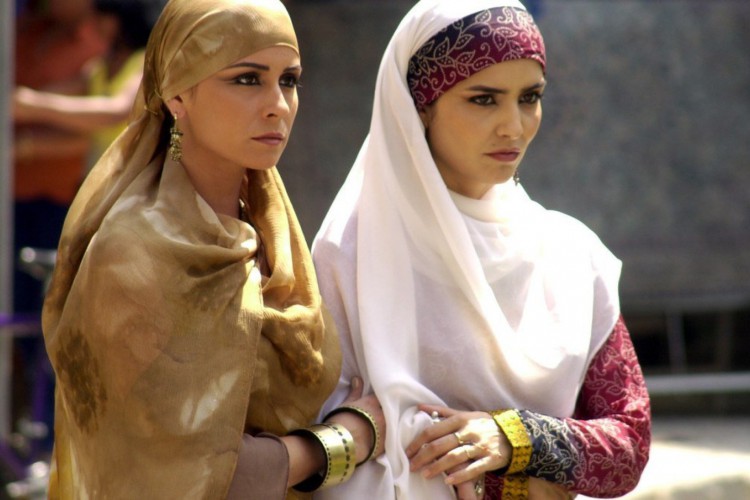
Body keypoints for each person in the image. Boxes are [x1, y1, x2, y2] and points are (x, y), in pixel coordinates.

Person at [41, 0, 384, 498]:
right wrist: (346, 440)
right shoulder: (132, 256)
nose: (278, 104)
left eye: (289, 80)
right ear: (177, 94)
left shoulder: (272, 236)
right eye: (247, 79)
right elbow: (177, 472)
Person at [311, 0, 651, 499]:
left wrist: (514, 437)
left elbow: (629, 448)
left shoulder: (571, 255)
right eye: (484, 99)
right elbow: (322, 438)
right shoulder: (351, 254)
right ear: (419, 107)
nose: (514, 126)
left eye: (530, 97)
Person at [13, 0, 164, 173]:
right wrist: (24, 103)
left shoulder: (145, 63)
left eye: (100, 17)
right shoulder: (99, 68)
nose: (93, 22)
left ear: (119, 21)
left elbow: (118, 110)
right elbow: (51, 94)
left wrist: (35, 106)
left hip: (132, 177)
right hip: (99, 178)